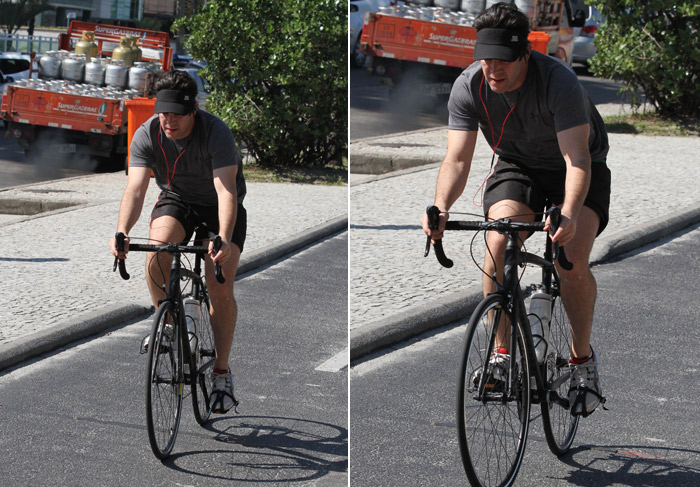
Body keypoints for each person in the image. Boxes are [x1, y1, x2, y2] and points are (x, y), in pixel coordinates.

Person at [421, 2, 609, 416]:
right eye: (485, 60)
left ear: (525, 53)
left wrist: (570, 215)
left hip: (576, 168)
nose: (493, 70)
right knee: (497, 242)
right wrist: (440, 206)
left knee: (570, 260)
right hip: (517, 165)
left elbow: (577, 160)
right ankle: (501, 354)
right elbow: (456, 159)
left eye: (503, 60)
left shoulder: (558, 82)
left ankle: (582, 361)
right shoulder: (469, 85)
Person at [109, 70, 247, 414]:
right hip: (178, 199)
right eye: (163, 113)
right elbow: (136, 189)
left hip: (219, 207)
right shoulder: (147, 134)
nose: (168, 121)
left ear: (193, 111)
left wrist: (224, 239)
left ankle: (221, 373)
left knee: (219, 287)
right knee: (156, 252)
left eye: (176, 115)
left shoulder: (216, 133)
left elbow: (226, 191)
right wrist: (123, 230)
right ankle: (168, 324)